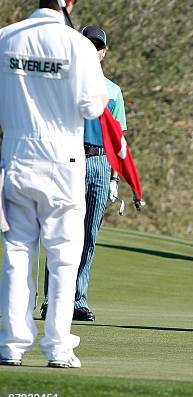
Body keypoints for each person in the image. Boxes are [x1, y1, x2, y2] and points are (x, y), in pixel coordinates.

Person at [0, 0, 108, 368]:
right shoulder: (79, 46)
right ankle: (58, 346)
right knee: (63, 258)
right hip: (63, 159)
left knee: (17, 253)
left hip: (16, 155)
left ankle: (11, 345)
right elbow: (92, 107)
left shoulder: (5, 38)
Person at [40, 25, 128, 322]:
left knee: (89, 234)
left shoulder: (113, 91)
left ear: (104, 52)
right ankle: (52, 299)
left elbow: (118, 140)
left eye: (98, 46)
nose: (93, 49)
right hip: (69, 160)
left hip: (101, 164)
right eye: (88, 44)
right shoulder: (65, 84)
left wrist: (115, 178)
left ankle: (77, 299)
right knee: (61, 231)